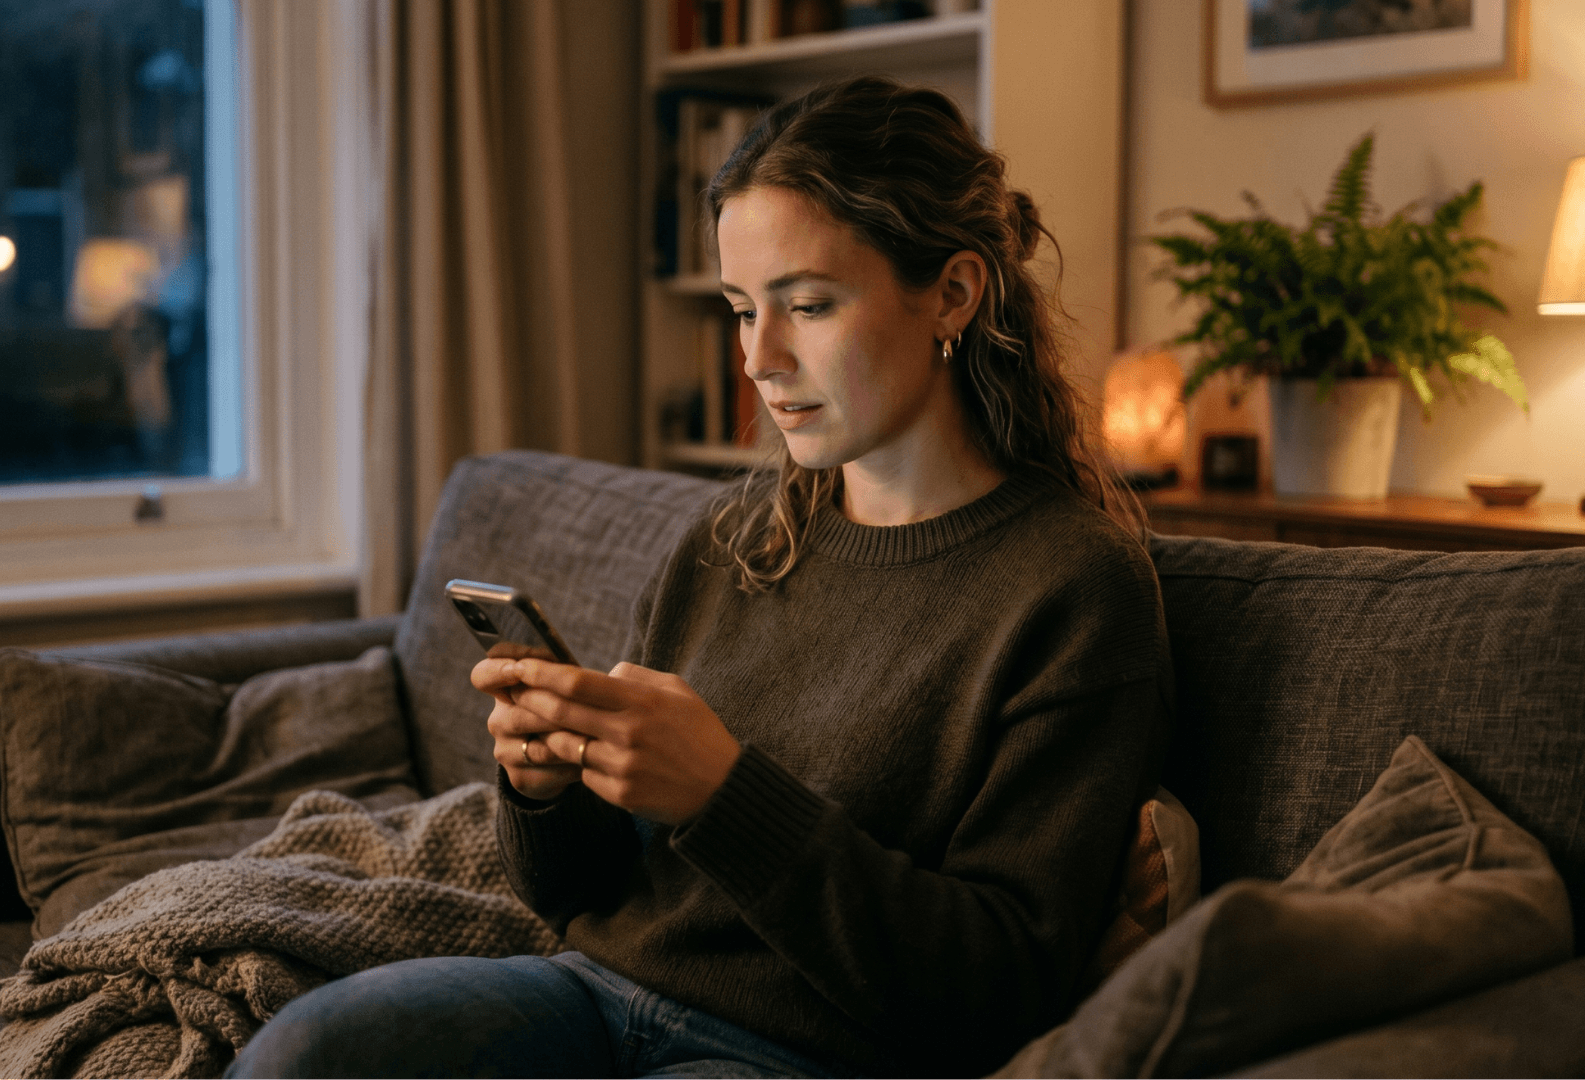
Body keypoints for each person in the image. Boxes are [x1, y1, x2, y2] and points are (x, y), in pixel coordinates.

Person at [230, 75, 1170, 1079]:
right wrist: (545, 789)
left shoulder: (1074, 587)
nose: (759, 358)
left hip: (814, 1054)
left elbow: (995, 988)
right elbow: (578, 894)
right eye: (739, 308)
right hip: (595, 992)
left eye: (807, 305)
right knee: (307, 1049)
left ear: (952, 291)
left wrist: (724, 795)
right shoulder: (730, 537)